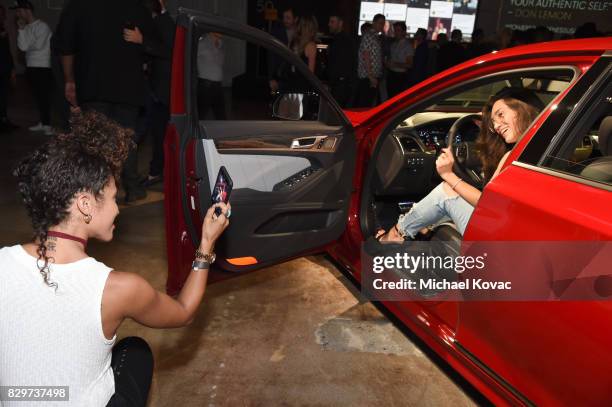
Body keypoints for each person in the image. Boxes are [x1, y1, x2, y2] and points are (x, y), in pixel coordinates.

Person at [1, 111, 230, 406]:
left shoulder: (3, 263)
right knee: (135, 351)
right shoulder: (118, 289)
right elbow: (184, 311)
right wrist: (207, 243)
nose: (117, 209)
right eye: (111, 197)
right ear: (86, 204)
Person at [376, 88, 544, 242]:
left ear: (522, 109)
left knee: (445, 191)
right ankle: (422, 226)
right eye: (494, 122)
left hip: (501, 240)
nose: (498, 126)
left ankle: (395, 235)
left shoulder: (514, 156)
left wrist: (448, 174)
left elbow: (486, 203)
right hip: (518, 232)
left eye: (501, 115)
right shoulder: (540, 150)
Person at [52, 0, 156, 203]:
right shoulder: (136, 7)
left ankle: (101, 191)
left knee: (97, 142)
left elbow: (65, 48)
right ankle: (132, 187)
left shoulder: (77, 7)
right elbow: (153, 44)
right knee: (126, 139)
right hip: (128, 87)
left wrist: (69, 80)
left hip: (93, 86)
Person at [123, 0, 175, 187]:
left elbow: (171, 52)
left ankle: (156, 173)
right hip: (156, 91)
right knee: (155, 134)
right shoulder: (157, 21)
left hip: (163, 93)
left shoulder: (165, 22)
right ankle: (155, 172)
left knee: (154, 133)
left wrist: (142, 41)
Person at [13, 0, 54, 135]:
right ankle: (43, 122)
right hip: (31, 66)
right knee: (37, 97)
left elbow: (38, 46)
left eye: (19, 11)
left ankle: (48, 125)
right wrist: (20, 29)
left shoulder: (43, 26)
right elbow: (22, 47)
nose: (17, 14)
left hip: (43, 67)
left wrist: (28, 43)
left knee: (44, 97)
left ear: (27, 10)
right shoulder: (26, 27)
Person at [355, 14, 385, 107]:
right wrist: (371, 76)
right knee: (365, 104)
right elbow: (366, 55)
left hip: (371, 76)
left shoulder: (374, 36)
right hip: (367, 77)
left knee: (368, 103)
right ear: (374, 23)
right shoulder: (369, 36)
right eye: (380, 23)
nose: (382, 25)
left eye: (383, 23)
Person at [327, 15, 357, 108]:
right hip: (338, 83)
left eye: (332, 22)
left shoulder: (345, 41)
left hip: (341, 84)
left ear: (340, 23)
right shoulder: (336, 39)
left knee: (337, 112)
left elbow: (344, 63)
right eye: (329, 22)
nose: (329, 24)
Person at [197, 32, 226, 120]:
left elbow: (219, 63)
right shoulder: (202, 44)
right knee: (200, 115)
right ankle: (194, 133)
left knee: (221, 115)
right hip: (206, 85)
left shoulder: (220, 44)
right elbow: (189, 59)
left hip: (217, 85)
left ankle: (222, 132)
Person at [269, 8, 297, 93]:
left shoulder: (299, 34)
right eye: (284, 17)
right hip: (281, 77)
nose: (285, 20)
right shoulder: (277, 33)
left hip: (296, 77)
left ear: (295, 19)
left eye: (288, 18)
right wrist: (271, 78)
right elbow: (271, 56)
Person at [0, 4, 17, 133]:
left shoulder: (2, 28)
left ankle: (4, 119)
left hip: (4, 67)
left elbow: (7, 51)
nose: (1, 16)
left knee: (4, 94)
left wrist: (12, 68)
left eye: (2, 13)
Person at [385, 21, 413, 98]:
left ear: (404, 32)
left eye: (398, 30)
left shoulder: (408, 46)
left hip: (400, 77)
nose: (396, 33)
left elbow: (410, 65)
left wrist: (394, 64)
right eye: (395, 30)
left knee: (397, 99)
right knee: (390, 97)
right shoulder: (393, 44)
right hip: (391, 74)